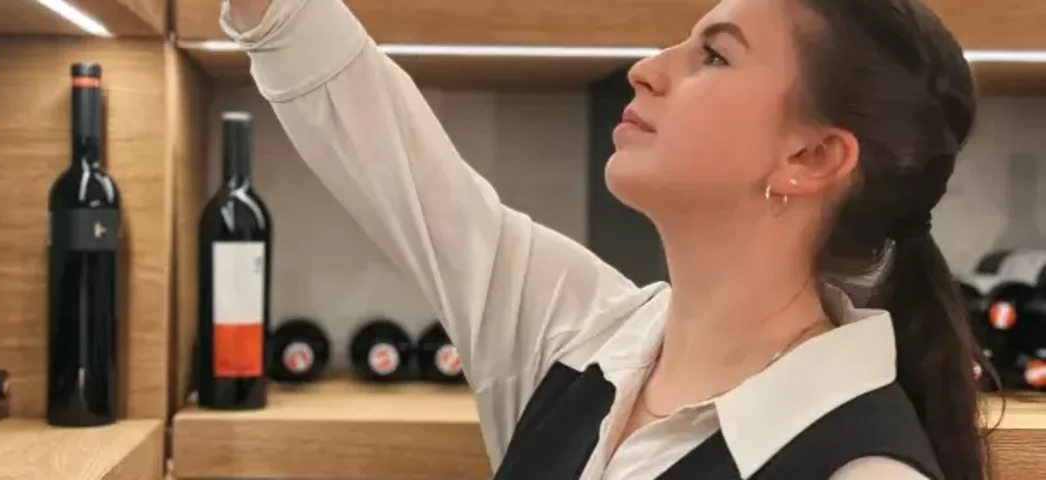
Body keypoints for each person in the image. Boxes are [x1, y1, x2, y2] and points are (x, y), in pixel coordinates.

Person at [222, 0, 985, 478]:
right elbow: (395, 161)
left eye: (715, 55)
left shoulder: (860, 470)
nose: (646, 69)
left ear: (812, 157)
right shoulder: (584, 339)